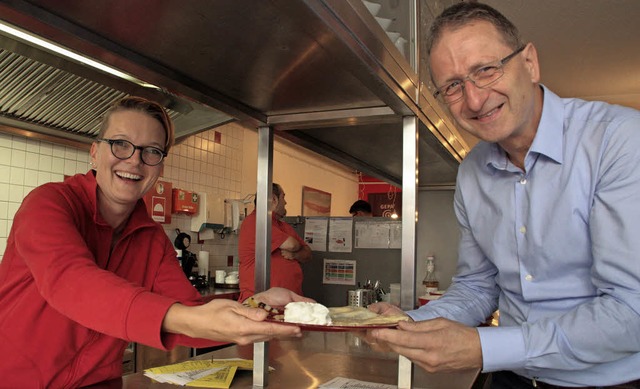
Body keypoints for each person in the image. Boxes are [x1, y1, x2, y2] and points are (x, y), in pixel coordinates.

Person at [368, 2, 640, 388]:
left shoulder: (620, 141)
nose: (475, 100)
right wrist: (408, 323)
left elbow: (632, 310)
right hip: (510, 379)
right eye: (453, 86)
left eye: (485, 70)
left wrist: (484, 347)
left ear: (529, 63)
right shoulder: (472, 171)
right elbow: (478, 287)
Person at [0, 96, 311, 388]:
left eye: (151, 151)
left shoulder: (151, 239)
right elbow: (70, 280)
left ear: (160, 167)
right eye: (120, 144)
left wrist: (260, 306)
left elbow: (191, 319)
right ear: (94, 152)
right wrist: (187, 318)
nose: (135, 160)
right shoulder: (49, 202)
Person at [238, 183, 313, 302]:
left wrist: (295, 254)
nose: (286, 202)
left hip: (289, 301)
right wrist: (296, 248)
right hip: (261, 301)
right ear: (274, 199)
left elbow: (308, 253)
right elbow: (292, 244)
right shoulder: (256, 221)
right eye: (283, 197)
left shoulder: (283, 226)